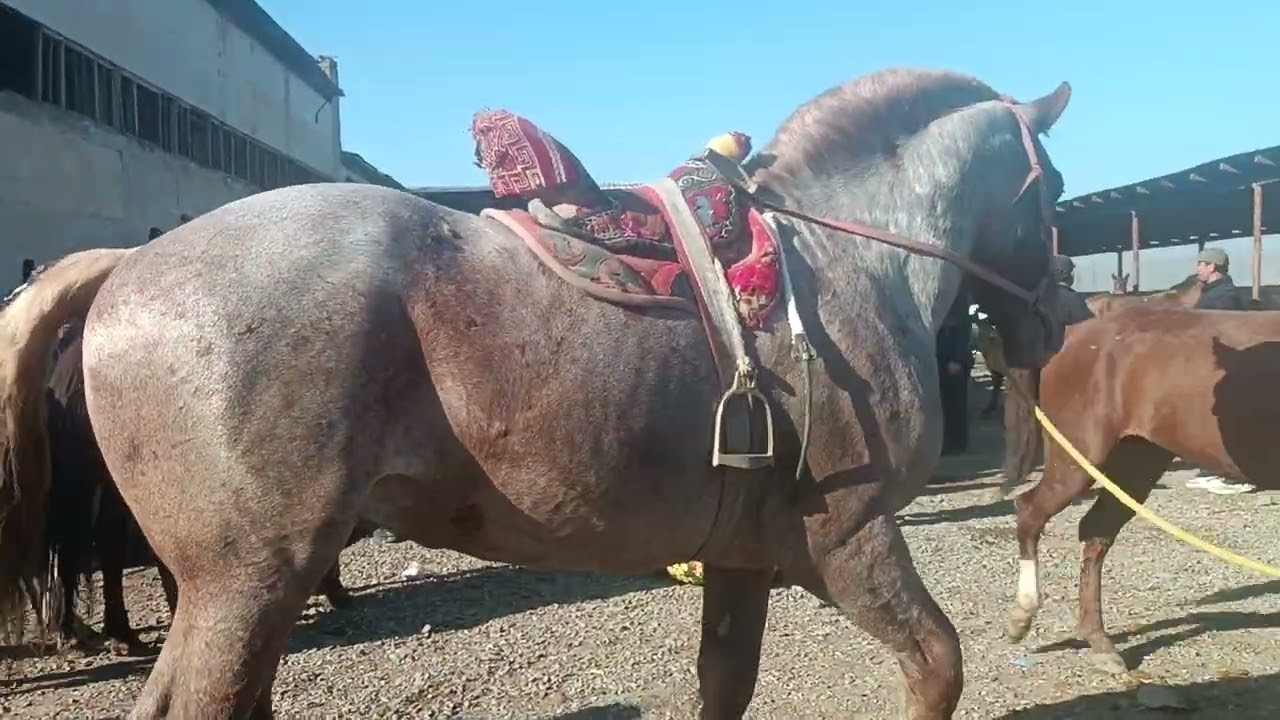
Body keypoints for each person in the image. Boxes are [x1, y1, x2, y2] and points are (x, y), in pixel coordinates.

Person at [1185, 248, 1253, 494]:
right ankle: (1216, 467)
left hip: (1224, 370)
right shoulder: (1212, 294)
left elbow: (1227, 336)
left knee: (1231, 421)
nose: (1198, 268)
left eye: (1201, 264)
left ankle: (1241, 474)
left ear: (1212, 267)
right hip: (1211, 367)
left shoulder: (1224, 298)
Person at [937, 295, 975, 455]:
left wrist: (957, 359)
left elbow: (963, 329)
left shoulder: (957, 299)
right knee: (943, 403)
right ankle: (945, 440)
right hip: (940, 359)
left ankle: (957, 442)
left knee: (955, 403)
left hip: (954, 362)